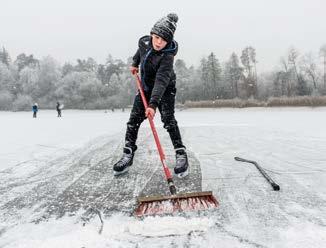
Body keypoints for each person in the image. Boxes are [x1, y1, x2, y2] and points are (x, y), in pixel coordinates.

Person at [113, 13, 189, 178]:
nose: (159, 42)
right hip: (145, 88)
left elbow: (161, 81)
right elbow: (140, 52)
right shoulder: (145, 42)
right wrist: (135, 63)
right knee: (133, 120)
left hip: (165, 89)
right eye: (156, 37)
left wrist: (153, 105)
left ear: (168, 41)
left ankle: (181, 153)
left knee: (168, 120)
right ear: (151, 35)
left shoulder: (167, 57)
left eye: (163, 39)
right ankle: (128, 153)